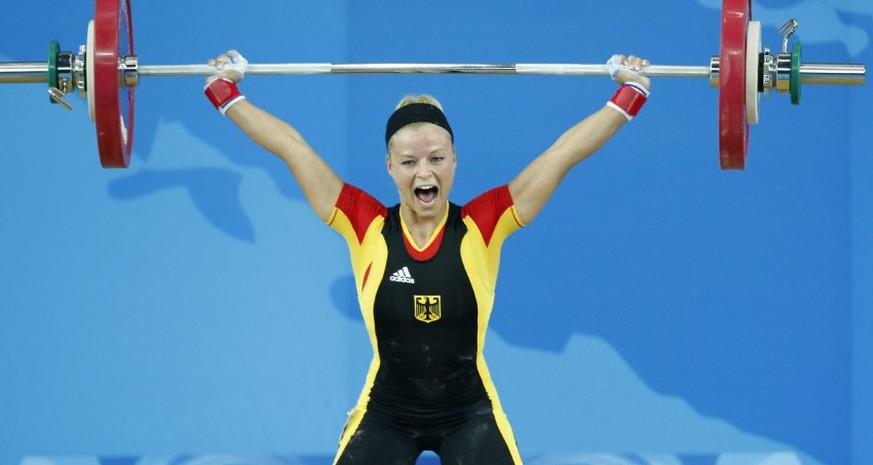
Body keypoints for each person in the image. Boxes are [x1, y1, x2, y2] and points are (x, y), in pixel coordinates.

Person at [204, 49, 651, 465]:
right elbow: (292, 148)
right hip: (386, 412)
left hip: (470, 412)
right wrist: (226, 92)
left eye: (437, 158)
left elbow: (563, 153)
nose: (424, 172)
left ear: (454, 160)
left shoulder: (484, 223)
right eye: (409, 162)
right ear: (390, 168)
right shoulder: (364, 224)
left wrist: (629, 93)